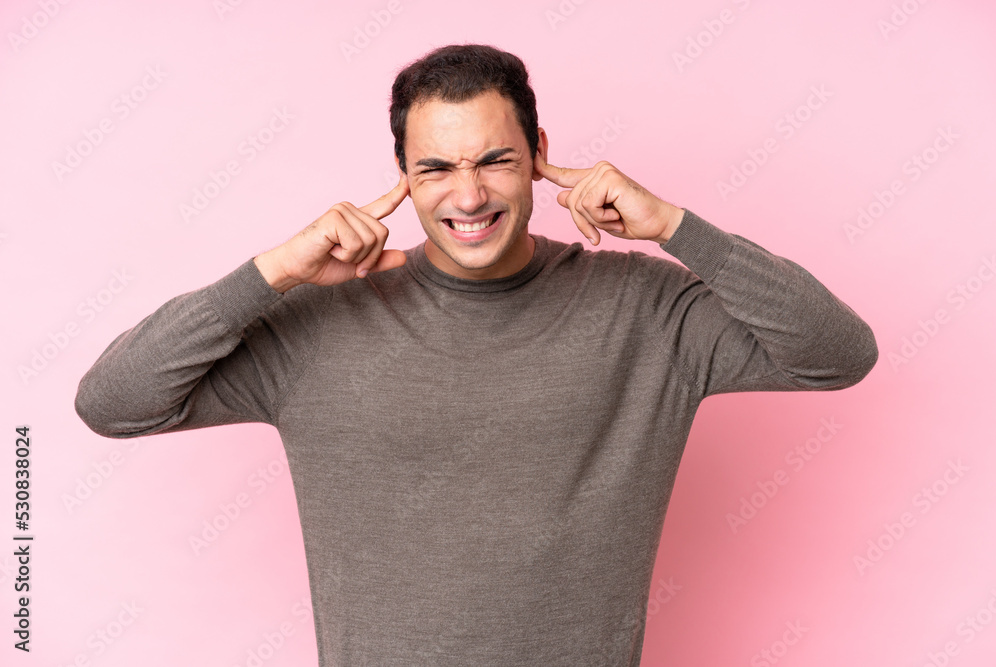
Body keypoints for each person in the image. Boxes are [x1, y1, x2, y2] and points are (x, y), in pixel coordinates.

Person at [76, 44, 878, 666]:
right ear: (403, 177)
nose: (468, 196)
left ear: (537, 152)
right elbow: (113, 401)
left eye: (494, 159)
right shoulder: (320, 321)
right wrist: (276, 272)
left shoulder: (646, 308)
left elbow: (838, 352)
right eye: (436, 167)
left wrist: (674, 225)